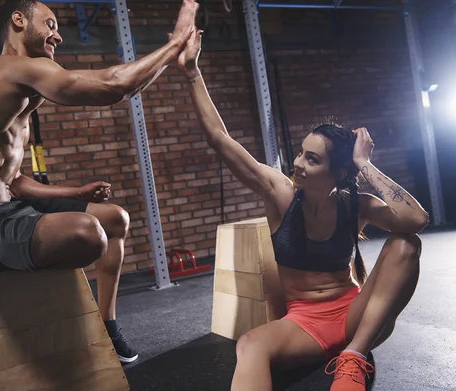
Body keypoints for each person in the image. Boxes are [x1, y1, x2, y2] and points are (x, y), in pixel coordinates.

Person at [0, 0, 199, 364]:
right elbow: (112, 87)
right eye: (51, 24)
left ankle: (107, 327)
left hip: (3, 212)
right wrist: (176, 43)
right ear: (18, 20)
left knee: (114, 219)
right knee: (86, 233)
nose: (58, 35)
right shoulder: (5, 71)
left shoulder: (21, 93)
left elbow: (13, 181)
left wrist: (75, 192)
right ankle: (48, 332)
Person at [177, 28, 428, 390]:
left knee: (406, 244)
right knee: (249, 344)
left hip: (357, 318)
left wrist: (365, 165)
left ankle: (354, 358)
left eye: (312, 159)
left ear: (339, 172)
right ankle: (348, 354)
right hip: (304, 324)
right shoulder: (281, 193)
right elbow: (220, 139)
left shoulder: (354, 204)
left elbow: (416, 221)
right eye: (299, 152)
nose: (298, 164)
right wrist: (191, 73)